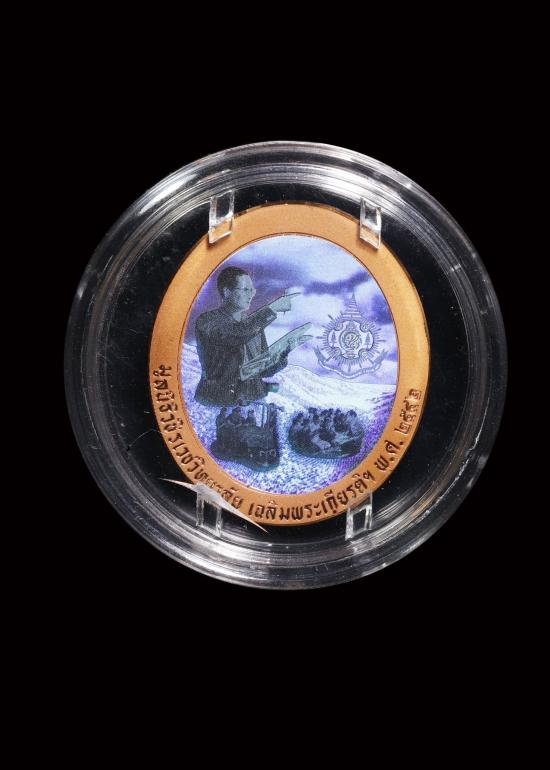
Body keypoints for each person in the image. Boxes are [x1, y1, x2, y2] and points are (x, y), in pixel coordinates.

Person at [195, 267, 294, 405]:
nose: (251, 294)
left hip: (253, 403)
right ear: (227, 292)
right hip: (219, 403)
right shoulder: (207, 321)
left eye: (252, 290)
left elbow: (263, 370)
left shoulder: (253, 324)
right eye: (245, 289)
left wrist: (281, 355)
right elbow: (237, 335)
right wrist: (272, 309)